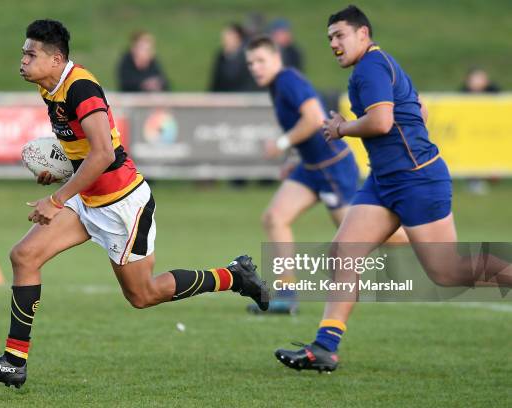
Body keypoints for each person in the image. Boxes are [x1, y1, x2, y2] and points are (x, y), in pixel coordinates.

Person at [0, 19, 268, 389]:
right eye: (23, 53)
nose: (23, 60)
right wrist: (62, 174)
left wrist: (57, 199)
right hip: (88, 200)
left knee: (143, 295)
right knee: (24, 256)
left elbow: (105, 154)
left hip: (123, 205)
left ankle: (234, 276)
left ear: (56, 59)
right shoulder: (51, 89)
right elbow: (87, 149)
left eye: (31, 54)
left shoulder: (80, 88)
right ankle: (13, 363)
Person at [274, 5, 512, 373]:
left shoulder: (370, 67)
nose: (334, 44)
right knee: (343, 252)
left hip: (417, 181)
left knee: (446, 272)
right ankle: (325, 346)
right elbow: (419, 110)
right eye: (330, 39)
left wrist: (342, 129)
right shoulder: (379, 63)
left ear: (363, 34)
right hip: (385, 180)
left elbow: (383, 122)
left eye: (340, 35)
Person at [244, 36, 360, 314]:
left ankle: (435, 247)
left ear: (276, 59)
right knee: (274, 218)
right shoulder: (276, 86)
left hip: (334, 168)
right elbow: (305, 128)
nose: (255, 68)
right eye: (250, 63)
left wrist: (281, 145)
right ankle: (286, 293)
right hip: (309, 168)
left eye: (261, 61)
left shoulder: (287, 80)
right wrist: (295, 157)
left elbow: (314, 118)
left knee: (362, 236)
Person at [460, 67, 501, 194]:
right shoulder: (463, 94)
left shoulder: (493, 91)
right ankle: (474, 181)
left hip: (490, 131)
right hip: (471, 131)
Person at [210, 23, 259, 92]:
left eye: (229, 36)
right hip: (222, 97)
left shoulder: (247, 57)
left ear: (238, 37)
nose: (225, 40)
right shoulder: (221, 56)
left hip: (242, 98)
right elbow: (216, 82)